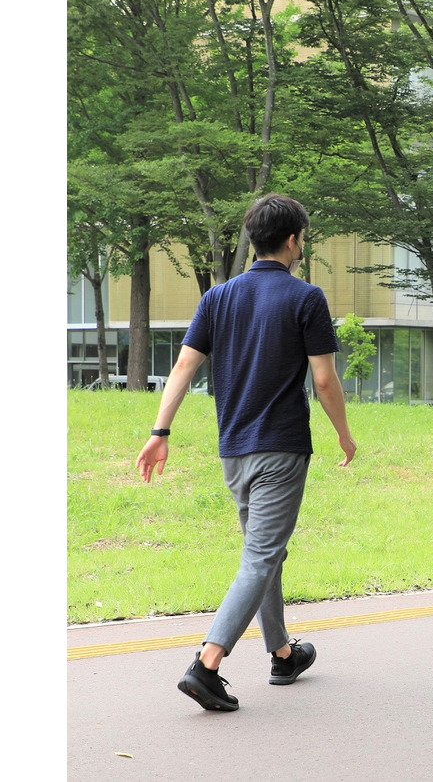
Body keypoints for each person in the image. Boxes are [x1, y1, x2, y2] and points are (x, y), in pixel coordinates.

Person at [136, 193, 358, 712]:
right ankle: (206, 665)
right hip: (281, 449)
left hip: (234, 450)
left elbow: (185, 367)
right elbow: (324, 380)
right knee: (261, 556)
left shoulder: (218, 297)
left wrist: (160, 431)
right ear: (293, 240)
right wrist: (345, 436)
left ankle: (282, 653)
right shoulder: (307, 298)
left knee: (266, 554)